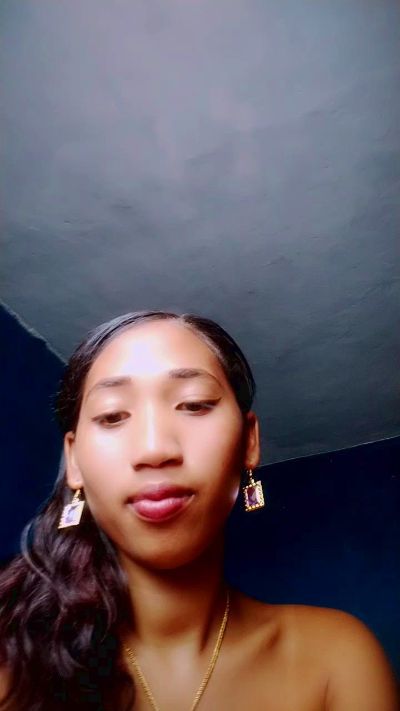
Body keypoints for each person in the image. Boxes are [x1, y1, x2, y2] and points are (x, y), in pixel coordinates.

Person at [0, 309, 398, 711]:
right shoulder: (11, 657)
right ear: (74, 460)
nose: (155, 449)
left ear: (248, 442)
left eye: (194, 404)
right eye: (113, 415)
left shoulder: (335, 659)